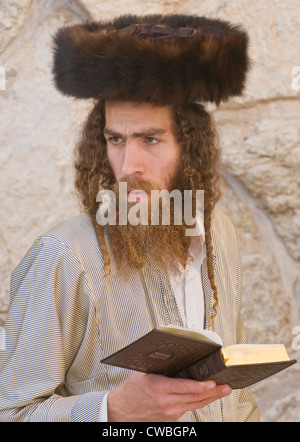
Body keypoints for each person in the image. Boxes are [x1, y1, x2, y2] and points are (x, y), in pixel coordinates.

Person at [0, 14, 259, 422]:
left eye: (150, 140)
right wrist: (112, 409)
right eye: (115, 139)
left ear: (191, 148)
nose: (127, 165)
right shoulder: (64, 256)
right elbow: (11, 411)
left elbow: (237, 401)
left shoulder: (219, 233)